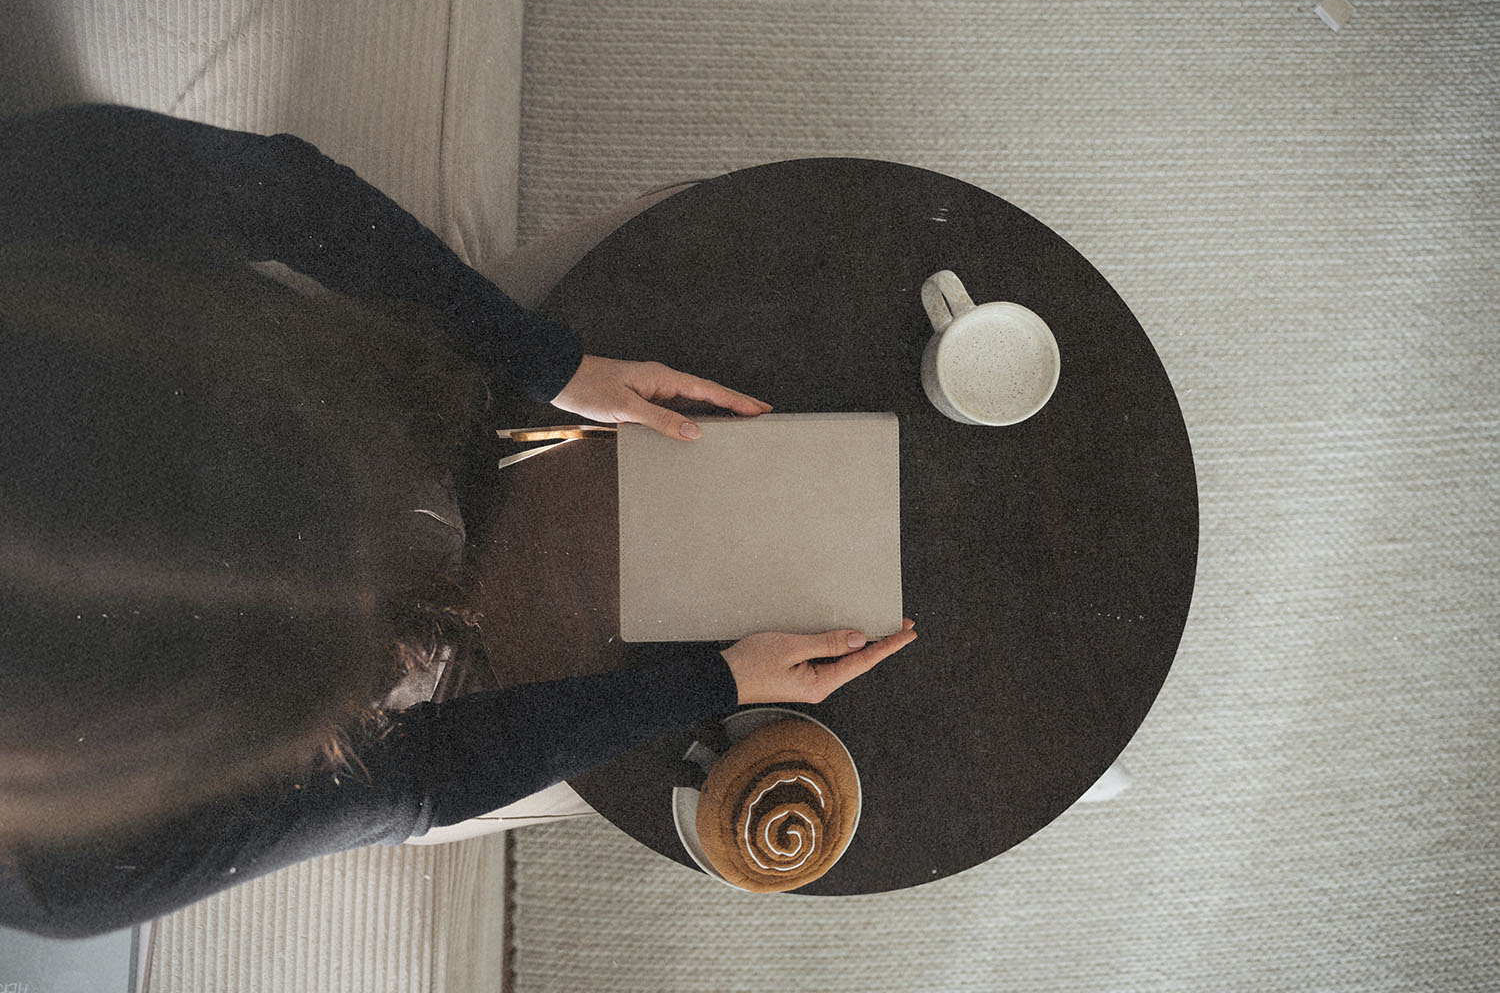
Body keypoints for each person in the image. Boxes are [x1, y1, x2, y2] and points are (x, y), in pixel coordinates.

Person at [0, 104, 916, 938]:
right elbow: (413, 777)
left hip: (372, 369)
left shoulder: (30, 199)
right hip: (392, 702)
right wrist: (710, 683)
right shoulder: (70, 866)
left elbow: (280, 192)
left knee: (697, 228)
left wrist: (543, 359)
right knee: (663, 758)